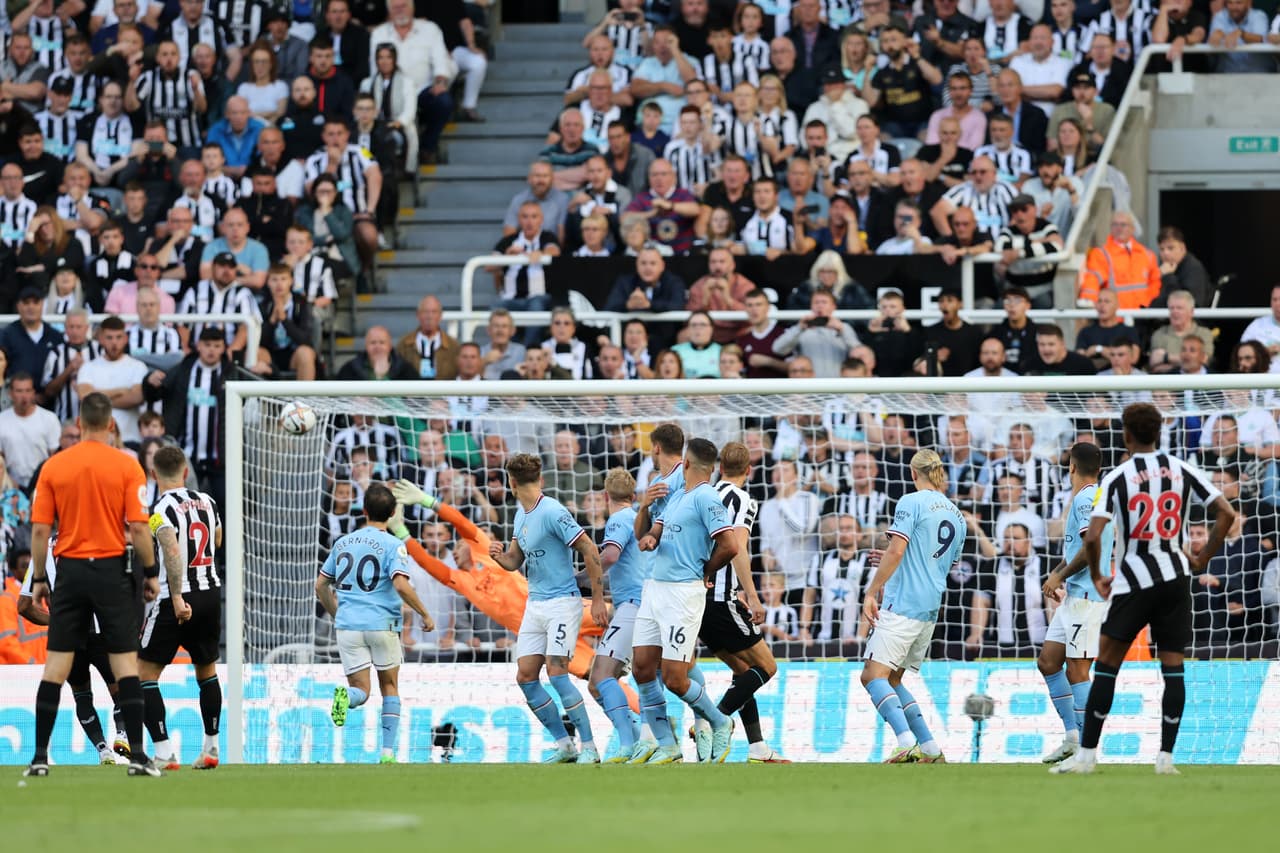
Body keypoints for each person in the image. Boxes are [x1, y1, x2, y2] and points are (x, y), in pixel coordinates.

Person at [1052, 403, 1236, 775]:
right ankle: (1166, 759)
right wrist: (1201, 559)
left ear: (1127, 434)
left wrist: (1102, 575)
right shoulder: (1183, 469)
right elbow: (1227, 513)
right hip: (1175, 577)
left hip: (1134, 579)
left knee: (1105, 666)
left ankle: (1086, 756)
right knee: (1173, 668)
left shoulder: (1118, 477)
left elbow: (1096, 535)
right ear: (1159, 432)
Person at [23, 392, 159, 777]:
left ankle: (38, 759)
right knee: (124, 666)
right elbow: (136, 527)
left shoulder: (54, 466)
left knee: (56, 666)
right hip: (110, 572)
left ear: (80, 425)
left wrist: (37, 578)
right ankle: (137, 757)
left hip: (70, 572)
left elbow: (39, 528)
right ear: (111, 425)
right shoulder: (127, 466)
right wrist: (149, 573)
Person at [488, 453, 606, 764]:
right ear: (538, 478)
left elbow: (589, 548)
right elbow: (515, 561)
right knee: (526, 677)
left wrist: (595, 598)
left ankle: (590, 748)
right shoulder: (521, 515)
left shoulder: (553, 511)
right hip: (535, 604)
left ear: (511, 483)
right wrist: (499, 556)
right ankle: (565, 745)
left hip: (562, 604)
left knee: (557, 674)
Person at [631, 437, 737, 764]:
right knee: (642, 668)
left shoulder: (707, 497)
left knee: (676, 677)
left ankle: (720, 721)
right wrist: (650, 536)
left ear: (687, 464)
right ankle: (667, 745)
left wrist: (706, 569)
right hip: (655, 589)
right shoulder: (679, 494)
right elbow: (654, 531)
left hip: (683, 594)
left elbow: (730, 545)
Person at [316, 483, 434, 764]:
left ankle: (349, 695)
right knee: (389, 687)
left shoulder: (342, 542)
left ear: (364, 511)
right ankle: (387, 753)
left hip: (348, 627)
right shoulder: (394, 545)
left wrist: (337, 613)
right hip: (382, 624)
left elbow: (321, 585)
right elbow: (401, 585)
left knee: (363, 691)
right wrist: (424, 614)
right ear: (393, 513)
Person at [860, 450, 965, 763]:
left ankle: (905, 741)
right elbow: (935, 561)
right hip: (930, 607)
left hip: (903, 603)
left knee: (871, 676)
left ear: (912, 472)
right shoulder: (956, 514)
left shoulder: (911, 501)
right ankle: (930, 748)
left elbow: (896, 551)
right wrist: (899, 561)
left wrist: (871, 591)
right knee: (893, 680)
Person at [700, 441, 787, 763]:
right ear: (749, 471)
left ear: (721, 468)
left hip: (696, 599)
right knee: (767, 667)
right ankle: (717, 719)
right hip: (721, 599)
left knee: (743, 670)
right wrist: (752, 596)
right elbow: (737, 548)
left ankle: (757, 747)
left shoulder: (704, 494)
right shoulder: (743, 500)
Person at [137, 446, 223, 771]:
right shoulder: (209, 502)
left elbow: (172, 548)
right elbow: (216, 540)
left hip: (177, 597)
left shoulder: (159, 508)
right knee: (207, 670)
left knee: (144, 672)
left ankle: (164, 751)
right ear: (185, 471)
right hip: (210, 592)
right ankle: (212, 748)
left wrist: (175, 596)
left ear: (156, 475)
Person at [1036, 442, 1115, 764]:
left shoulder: (1086, 498)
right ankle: (1072, 737)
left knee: (1078, 671)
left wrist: (1060, 575)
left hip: (1088, 599)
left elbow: (1091, 545)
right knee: (1048, 661)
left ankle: (1087, 750)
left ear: (1071, 467)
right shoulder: (1095, 496)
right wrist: (1058, 575)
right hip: (1075, 596)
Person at [589, 468, 649, 760]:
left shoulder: (618, 520)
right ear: (634, 495)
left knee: (601, 676)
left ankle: (628, 744)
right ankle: (640, 737)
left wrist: (582, 577)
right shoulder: (639, 518)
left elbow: (609, 556)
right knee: (603, 679)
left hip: (632, 606)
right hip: (645, 605)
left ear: (605, 496)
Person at [1077, 210, 1161, 309]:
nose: (1119, 228)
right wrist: (1088, 299)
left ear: (1132, 229)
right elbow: (1092, 280)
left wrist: (1148, 303)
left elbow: (1155, 283)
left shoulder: (1147, 255)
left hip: (1142, 316)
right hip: (1116, 316)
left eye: (1123, 225)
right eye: (1115, 225)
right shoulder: (1101, 254)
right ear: (1111, 228)